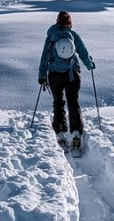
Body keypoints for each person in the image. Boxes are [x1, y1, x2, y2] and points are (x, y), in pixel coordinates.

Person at [37, 10, 95, 150]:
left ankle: (61, 132)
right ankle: (76, 133)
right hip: (72, 74)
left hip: (54, 75)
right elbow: (83, 52)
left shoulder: (51, 37)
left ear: (57, 21)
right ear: (69, 22)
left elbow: (44, 57)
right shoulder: (73, 35)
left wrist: (41, 75)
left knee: (58, 103)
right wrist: (89, 64)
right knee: (73, 103)